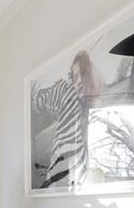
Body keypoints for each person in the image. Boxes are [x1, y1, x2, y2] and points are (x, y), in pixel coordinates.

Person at [30, 50, 102, 189]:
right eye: (75, 77)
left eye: (83, 74)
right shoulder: (68, 100)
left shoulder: (94, 110)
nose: (79, 81)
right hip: (59, 177)